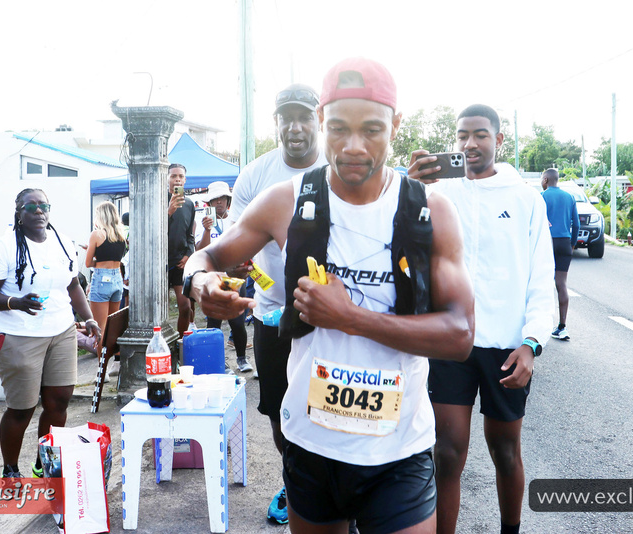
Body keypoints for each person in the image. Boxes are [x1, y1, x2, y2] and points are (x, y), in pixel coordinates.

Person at [183, 57, 475, 534]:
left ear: (396, 125)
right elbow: (208, 257)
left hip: (398, 450)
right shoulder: (287, 200)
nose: (354, 146)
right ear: (322, 122)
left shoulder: (429, 211)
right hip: (312, 444)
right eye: (338, 128)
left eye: (373, 130)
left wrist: (350, 316)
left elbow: (460, 335)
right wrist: (202, 285)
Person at [408, 104, 554, 534]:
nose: (469, 144)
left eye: (480, 135)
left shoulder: (525, 199)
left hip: (507, 347)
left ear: (499, 140)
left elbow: (541, 278)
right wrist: (410, 187)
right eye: (461, 136)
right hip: (451, 342)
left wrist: (531, 343)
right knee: (447, 453)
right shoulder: (439, 193)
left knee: (505, 452)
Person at [228, 82, 327, 525]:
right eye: (286, 118)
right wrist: (253, 279)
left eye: (304, 116)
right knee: (278, 409)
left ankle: (339, 490)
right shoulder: (255, 174)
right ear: (276, 123)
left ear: (318, 120)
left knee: (330, 404)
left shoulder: (338, 169)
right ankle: (294, 482)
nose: (295, 127)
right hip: (272, 314)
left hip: (332, 318)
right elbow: (235, 244)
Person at [0, 188, 101, 479]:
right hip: (18, 336)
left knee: (58, 402)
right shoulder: (3, 247)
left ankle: (43, 464)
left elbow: (72, 285)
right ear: (18, 212)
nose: (39, 211)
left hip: (61, 332)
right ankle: (10, 470)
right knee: (22, 408)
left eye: (43, 205)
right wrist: (15, 303)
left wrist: (89, 318)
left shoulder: (62, 242)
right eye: (30, 206)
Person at [195, 181, 253, 373]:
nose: (218, 202)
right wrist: (206, 230)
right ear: (209, 203)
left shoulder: (236, 220)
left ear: (228, 201)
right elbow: (199, 251)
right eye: (214, 200)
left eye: (222, 199)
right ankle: (220, 362)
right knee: (214, 322)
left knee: (237, 322)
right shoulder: (203, 223)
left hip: (235, 278)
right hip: (213, 278)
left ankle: (241, 359)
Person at [540, 168, 579, 341]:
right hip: (564, 242)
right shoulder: (569, 197)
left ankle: (540, 325)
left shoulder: (542, 196)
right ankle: (562, 327)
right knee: (561, 284)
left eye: (542, 178)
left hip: (547, 242)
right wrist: (571, 244)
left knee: (541, 282)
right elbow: (576, 225)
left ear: (546, 179)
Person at [85, 201, 127, 338]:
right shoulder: (121, 235)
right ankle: (114, 357)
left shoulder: (97, 234)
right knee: (112, 326)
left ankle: (101, 360)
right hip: (117, 278)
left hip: (102, 279)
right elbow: (113, 257)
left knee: (100, 328)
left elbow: (88, 263)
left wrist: (93, 253)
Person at [167, 163, 197, 335]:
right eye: (173, 176)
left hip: (180, 261)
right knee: (157, 310)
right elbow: (152, 230)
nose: (177, 179)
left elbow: (190, 235)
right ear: (167, 179)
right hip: (161, 262)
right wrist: (168, 211)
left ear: (185, 180)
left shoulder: (189, 204)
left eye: (180, 176)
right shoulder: (157, 199)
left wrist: (188, 254)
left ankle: (181, 343)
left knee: (185, 306)